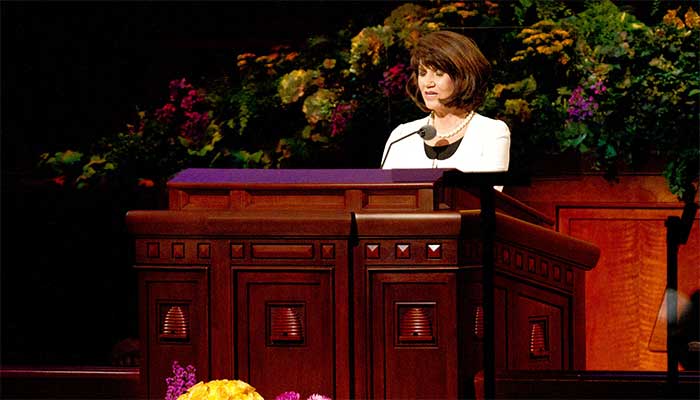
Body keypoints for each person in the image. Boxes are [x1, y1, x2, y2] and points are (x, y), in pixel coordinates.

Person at [380, 30, 510, 189]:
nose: (428, 83)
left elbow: (489, 196)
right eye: (423, 73)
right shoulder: (401, 136)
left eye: (438, 74)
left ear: (462, 77)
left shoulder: (491, 132)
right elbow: (383, 196)